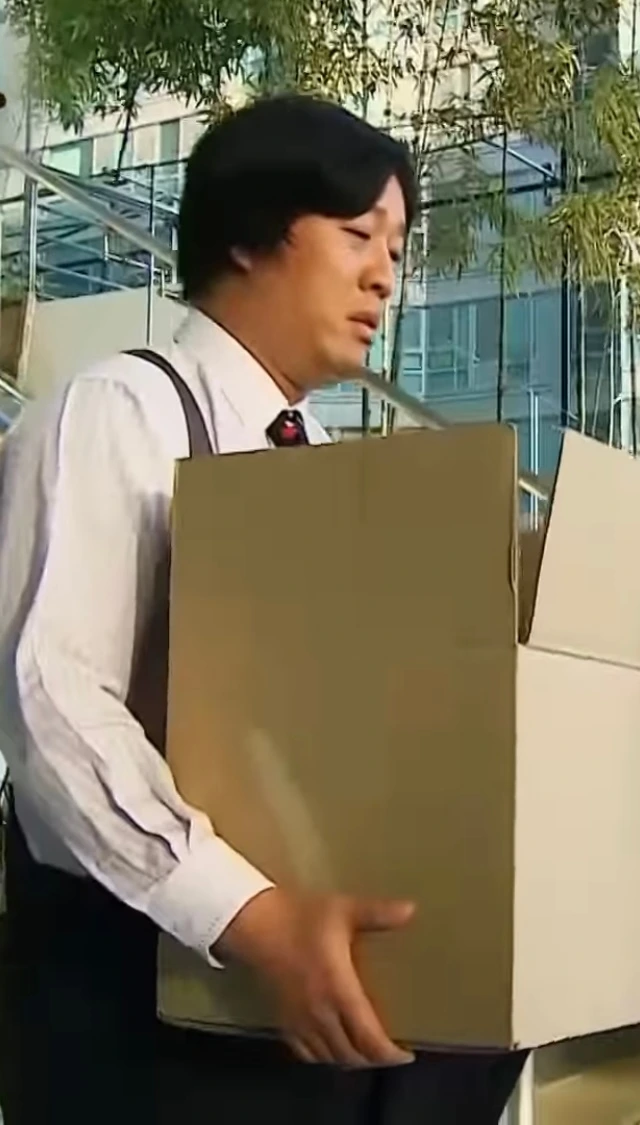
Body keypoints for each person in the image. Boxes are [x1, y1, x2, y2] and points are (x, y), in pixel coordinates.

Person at [0, 94, 525, 1124]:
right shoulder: (121, 412)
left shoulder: (321, 466)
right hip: (144, 986)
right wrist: (251, 916)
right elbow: (51, 704)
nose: (385, 275)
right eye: (357, 234)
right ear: (248, 235)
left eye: (396, 249)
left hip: (315, 974)